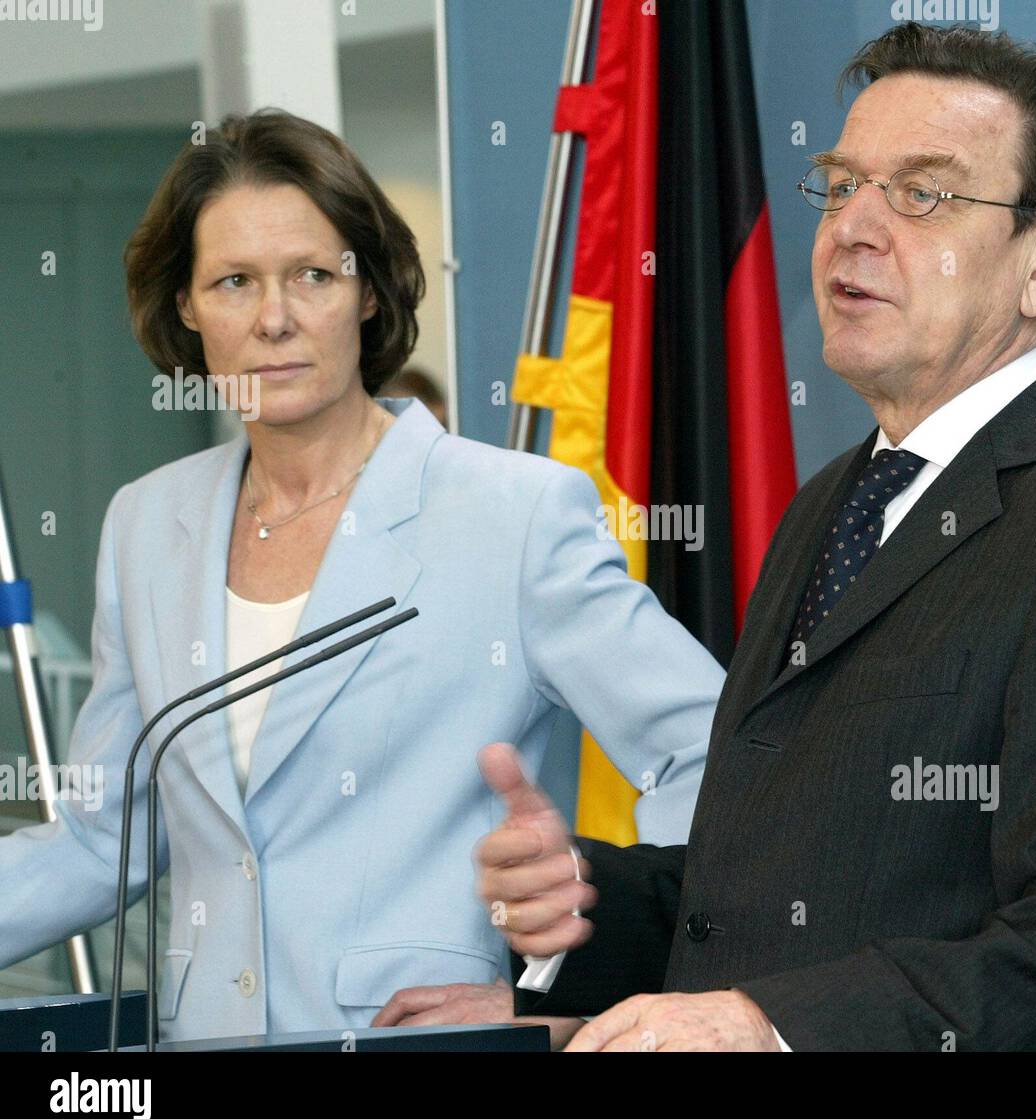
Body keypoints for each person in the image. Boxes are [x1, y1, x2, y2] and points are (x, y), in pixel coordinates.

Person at [462, 23, 1036, 1051]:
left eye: (920, 193)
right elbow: (780, 894)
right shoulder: (832, 502)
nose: (852, 229)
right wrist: (587, 900)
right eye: (840, 187)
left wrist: (769, 1027)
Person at [0, 109, 723, 1044]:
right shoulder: (146, 522)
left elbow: (715, 761)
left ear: (369, 291)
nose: (275, 318)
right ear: (185, 307)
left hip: (420, 1044)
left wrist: (565, 977)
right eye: (233, 282)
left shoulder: (512, 512)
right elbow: (104, 836)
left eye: (312, 274)